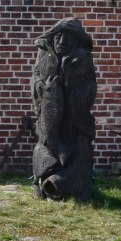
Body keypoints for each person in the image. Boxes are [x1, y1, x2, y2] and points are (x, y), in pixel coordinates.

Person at [31, 18, 96, 202]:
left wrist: (74, 93)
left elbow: (90, 84)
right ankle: (45, 179)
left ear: (75, 40)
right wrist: (41, 87)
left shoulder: (83, 57)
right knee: (45, 145)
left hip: (74, 120)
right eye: (59, 37)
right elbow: (35, 77)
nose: (62, 42)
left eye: (68, 38)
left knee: (80, 149)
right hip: (49, 115)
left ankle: (64, 184)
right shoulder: (44, 54)